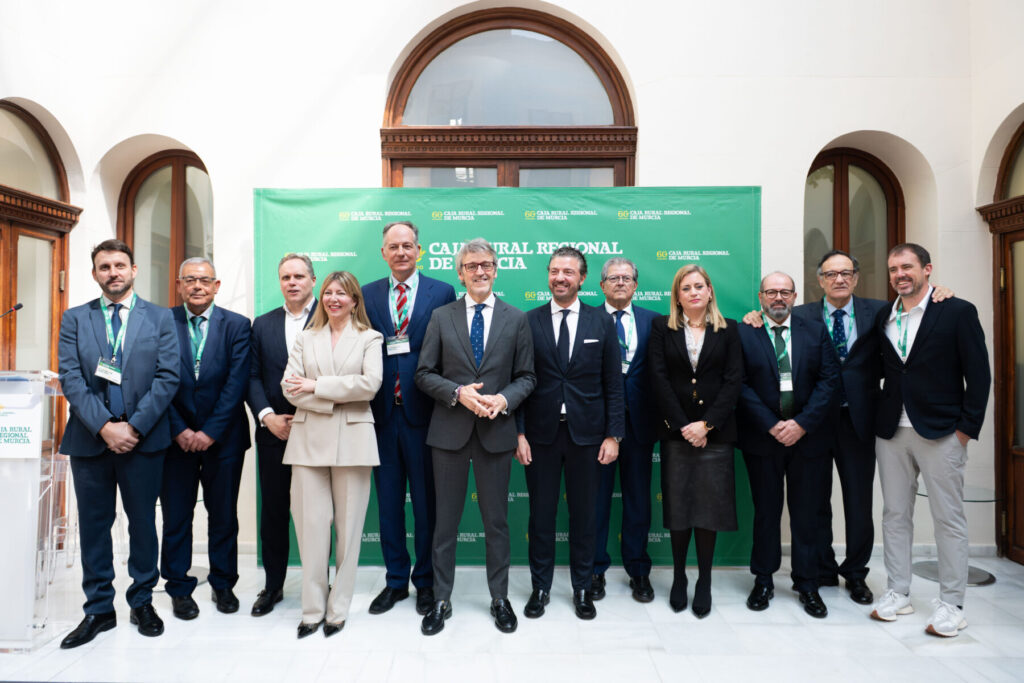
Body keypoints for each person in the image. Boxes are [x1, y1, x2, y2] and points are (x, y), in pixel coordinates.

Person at [742, 251, 953, 605]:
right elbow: (768, 326)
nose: (839, 279)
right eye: (831, 274)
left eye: (846, 273)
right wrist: (755, 315)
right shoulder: (801, 313)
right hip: (813, 424)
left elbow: (919, 305)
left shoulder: (881, 311)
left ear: (855, 277)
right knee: (813, 503)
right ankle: (820, 568)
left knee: (858, 502)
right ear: (819, 280)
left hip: (859, 421)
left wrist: (939, 292)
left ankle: (856, 573)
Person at [57, 239, 179, 648]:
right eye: (105, 266)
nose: (113, 272)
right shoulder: (75, 318)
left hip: (143, 442)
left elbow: (167, 379)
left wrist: (134, 428)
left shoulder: (160, 318)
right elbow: (70, 378)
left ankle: (142, 600)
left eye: (120, 265)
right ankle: (99, 609)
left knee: (143, 523)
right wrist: (105, 427)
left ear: (134, 270)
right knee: (94, 527)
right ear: (95, 274)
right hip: (90, 441)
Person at [414, 238, 536, 635]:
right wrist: (457, 393)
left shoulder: (516, 319)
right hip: (448, 434)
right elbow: (423, 373)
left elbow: (528, 377)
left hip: (496, 433)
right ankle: (441, 599)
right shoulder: (440, 316)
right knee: (444, 522)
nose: (479, 271)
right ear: (460, 273)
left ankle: (499, 598)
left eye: (486, 265)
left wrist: (503, 399)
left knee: (497, 522)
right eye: (471, 266)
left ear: (496, 269)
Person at [871, 243, 990, 638]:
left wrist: (964, 432)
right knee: (894, 515)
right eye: (893, 269)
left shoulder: (956, 311)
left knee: (948, 519)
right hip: (892, 431)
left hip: (941, 432)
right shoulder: (884, 317)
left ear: (927, 269)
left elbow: (980, 376)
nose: (899, 274)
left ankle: (952, 604)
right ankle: (897, 591)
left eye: (907, 267)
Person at [516, 246, 624, 621]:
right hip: (540, 436)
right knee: (540, 516)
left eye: (568, 272)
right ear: (548, 275)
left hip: (589, 437)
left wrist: (614, 435)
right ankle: (540, 587)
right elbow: (519, 381)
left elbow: (613, 383)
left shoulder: (601, 322)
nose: (560, 277)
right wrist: (519, 433)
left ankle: (582, 587)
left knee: (585, 516)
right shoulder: (528, 321)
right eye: (554, 271)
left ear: (582, 279)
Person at [281, 271, 384, 638]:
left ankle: (337, 609)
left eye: (342, 293)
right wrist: (334, 397)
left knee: (349, 531)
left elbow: (370, 385)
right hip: (308, 442)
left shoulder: (371, 338)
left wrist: (316, 386)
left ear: (355, 300)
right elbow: (290, 388)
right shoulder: (305, 338)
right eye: (328, 293)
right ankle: (312, 609)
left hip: (354, 443)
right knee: (310, 529)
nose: (333, 298)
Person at [363, 221, 456, 617]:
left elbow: (451, 352)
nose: (401, 252)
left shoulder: (443, 292)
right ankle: (395, 581)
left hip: (426, 413)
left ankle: (426, 581)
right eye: (393, 246)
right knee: (387, 505)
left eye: (407, 246)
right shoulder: (366, 294)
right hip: (381, 414)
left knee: (426, 505)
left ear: (419, 250)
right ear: (383, 252)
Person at [737, 271, 838, 619]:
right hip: (762, 438)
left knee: (806, 514)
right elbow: (739, 384)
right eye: (771, 292)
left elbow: (830, 380)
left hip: (808, 439)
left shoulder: (815, 330)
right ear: (761, 297)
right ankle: (763, 580)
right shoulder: (744, 331)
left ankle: (807, 584)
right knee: (766, 513)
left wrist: (802, 424)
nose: (778, 298)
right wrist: (771, 424)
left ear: (795, 296)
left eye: (785, 292)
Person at [648, 264, 743, 618]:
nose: (693, 293)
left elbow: (734, 380)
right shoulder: (662, 327)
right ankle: (678, 577)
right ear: (677, 295)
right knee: (678, 510)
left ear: (710, 290)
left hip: (716, 436)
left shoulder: (728, 329)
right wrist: (684, 425)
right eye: (685, 288)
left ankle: (704, 580)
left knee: (708, 510)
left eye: (699, 286)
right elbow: (658, 378)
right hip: (676, 433)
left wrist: (706, 425)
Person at [160, 257, 251, 619]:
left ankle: (223, 583)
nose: (197, 286)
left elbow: (237, 382)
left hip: (224, 439)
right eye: (190, 280)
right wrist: (179, 429)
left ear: (217, 286)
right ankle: (180, 589)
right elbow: (154, 380)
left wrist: (209, 431)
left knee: (224, 514)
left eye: (204, 280)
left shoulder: (238, 325)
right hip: (173, 439)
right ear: (179, 285)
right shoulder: (161, 322)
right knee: (177, 516)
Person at [246, 253, 317, 616]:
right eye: (286, 276)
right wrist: (267, 416)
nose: (293, 282)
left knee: (320, 512)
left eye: (299, 276)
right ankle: (273, 585)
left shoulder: (332, 315)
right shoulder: (263, 324)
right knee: (275, 511)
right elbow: (252, 375)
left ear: (313, 280)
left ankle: (319, 584)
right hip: (276, 432)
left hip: (322, 431)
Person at [590, 257, 659, 604]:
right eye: (613, 278)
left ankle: (639, 570)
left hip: (641, 425)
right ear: (601, 285)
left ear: (635, 285)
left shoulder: (655, 321)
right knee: (597, 502)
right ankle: (595, 570)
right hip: (597, 427)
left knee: (638, 502)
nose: (620, 283)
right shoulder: (587, 319)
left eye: (626, 278)